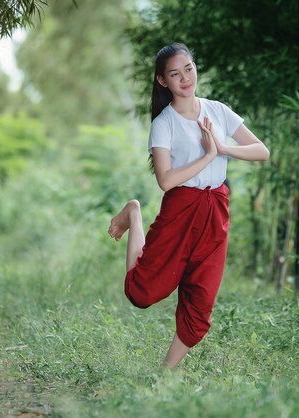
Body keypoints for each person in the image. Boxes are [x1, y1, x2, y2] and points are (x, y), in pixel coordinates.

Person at [108, 43, 269, 368]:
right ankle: (134, 213)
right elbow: (166, 180)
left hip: (215, 209)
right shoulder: (164, 123)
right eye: (174, 73)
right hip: (180, 208)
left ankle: (164, 375)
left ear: (196, 68)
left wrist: (223, 148)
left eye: (189, 69)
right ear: (162, 80)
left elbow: (261, 150)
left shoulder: (219, 111)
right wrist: (209, 155)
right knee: (142, 293)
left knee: (202, 300)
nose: (184, 78)